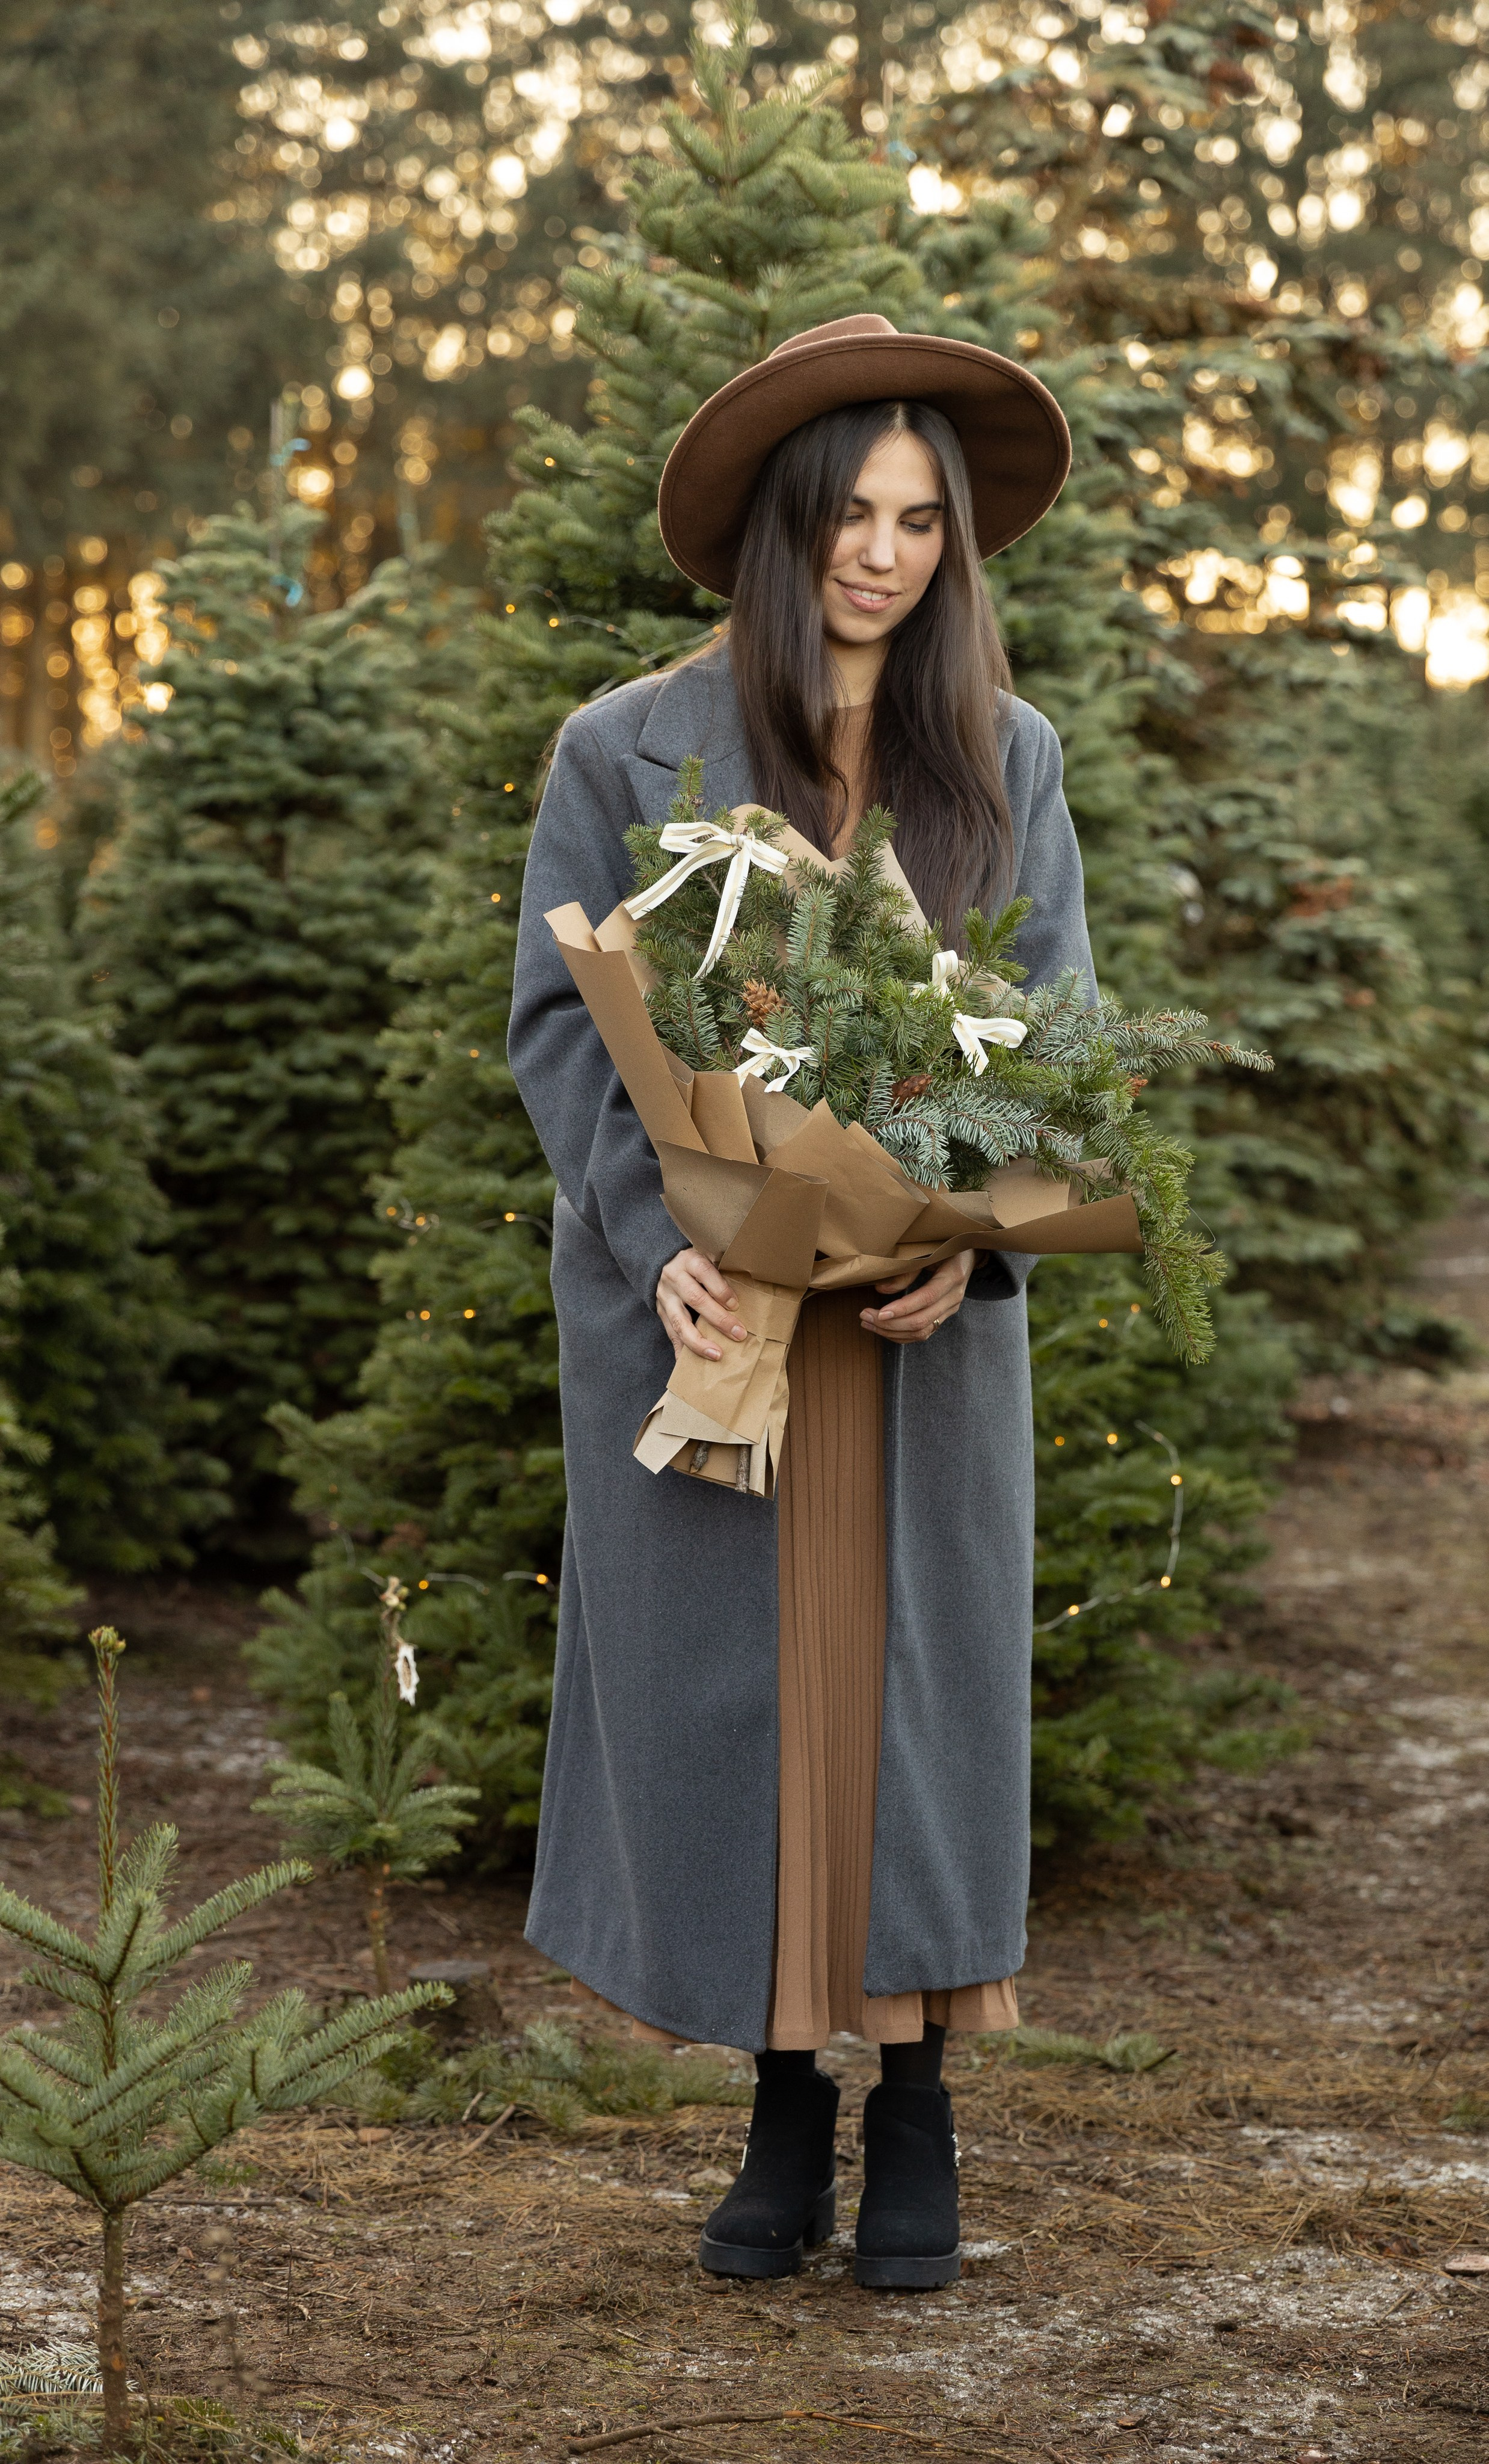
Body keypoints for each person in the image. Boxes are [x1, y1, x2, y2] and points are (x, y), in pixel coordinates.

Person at [508, 314, 1091, 2291]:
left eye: (922, 521)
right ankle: (777, 2103)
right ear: (784, 524)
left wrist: (969, 1231)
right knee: (757, 1697)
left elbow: (1057, 1046)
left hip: (914, 1340)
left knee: (902, 1700)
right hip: (715, 1324)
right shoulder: (628, 747)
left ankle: (913, 2109)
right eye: (852, 511)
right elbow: (562, 1033)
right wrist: (644, 1227)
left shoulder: (1001, 760)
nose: (885, 553)